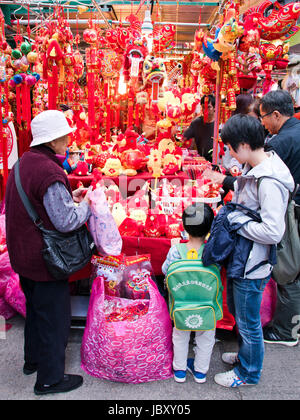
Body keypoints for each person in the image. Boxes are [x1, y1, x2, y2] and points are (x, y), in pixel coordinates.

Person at [5, 110, 91, 396]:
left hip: (23, 256)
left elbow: (43, 204)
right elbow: (65, 221)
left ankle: (33, 361)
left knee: (36, 312)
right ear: (52, 140)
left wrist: (70, 199)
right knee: (54, 318)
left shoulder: (23, 164)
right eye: (64, 136)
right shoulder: (49, 171)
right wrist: (87, 206)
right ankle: (49, 379)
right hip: (44, 260)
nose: (68, 140)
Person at [213, 114, 294, 388]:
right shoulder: (257, 168)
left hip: (254, 261)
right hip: (245, 257)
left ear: (244, 145)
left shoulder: (269, 180)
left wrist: (238, 222)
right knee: (240, 310)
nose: (231, 154)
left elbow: (274, 231)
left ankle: (248, 373)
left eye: (232, 148)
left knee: (248, 320)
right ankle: (246, 356)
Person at [259, 90, 300, 347]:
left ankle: (286, 331)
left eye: (264, 117)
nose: (263, 123)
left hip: (293, 211)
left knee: (288, 270)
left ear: (276, 114)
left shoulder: (280, 143)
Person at [162, 203, 217, 384]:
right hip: (207, 305)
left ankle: (179, 370)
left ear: (184, 227)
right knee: (206, 336)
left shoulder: (176, 250)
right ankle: (200, 372)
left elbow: (165, 270)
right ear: (210, 228)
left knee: (180, 334)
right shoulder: (213, 252)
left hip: (181, 304)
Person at [183, 95, 215, 161]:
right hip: (201, 162)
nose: (205, 110)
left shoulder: (219, 124)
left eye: (209, 107)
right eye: (203, 107)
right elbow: (184, 137)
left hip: (217, 161)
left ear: (215, 108)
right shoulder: (196, 123)